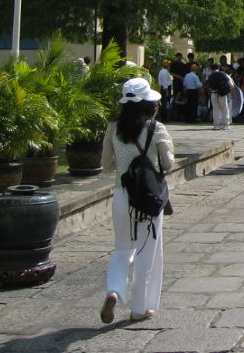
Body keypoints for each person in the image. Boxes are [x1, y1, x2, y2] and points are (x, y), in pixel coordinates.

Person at [100, 77, 174, 324]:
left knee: (122, 248)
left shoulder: (114, 128)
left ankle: (114, 290)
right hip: (147, 197)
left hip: (122, 194)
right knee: (147, 251)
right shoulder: (156, 129)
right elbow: (168, 163)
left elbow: (105, 164)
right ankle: (140, 307)